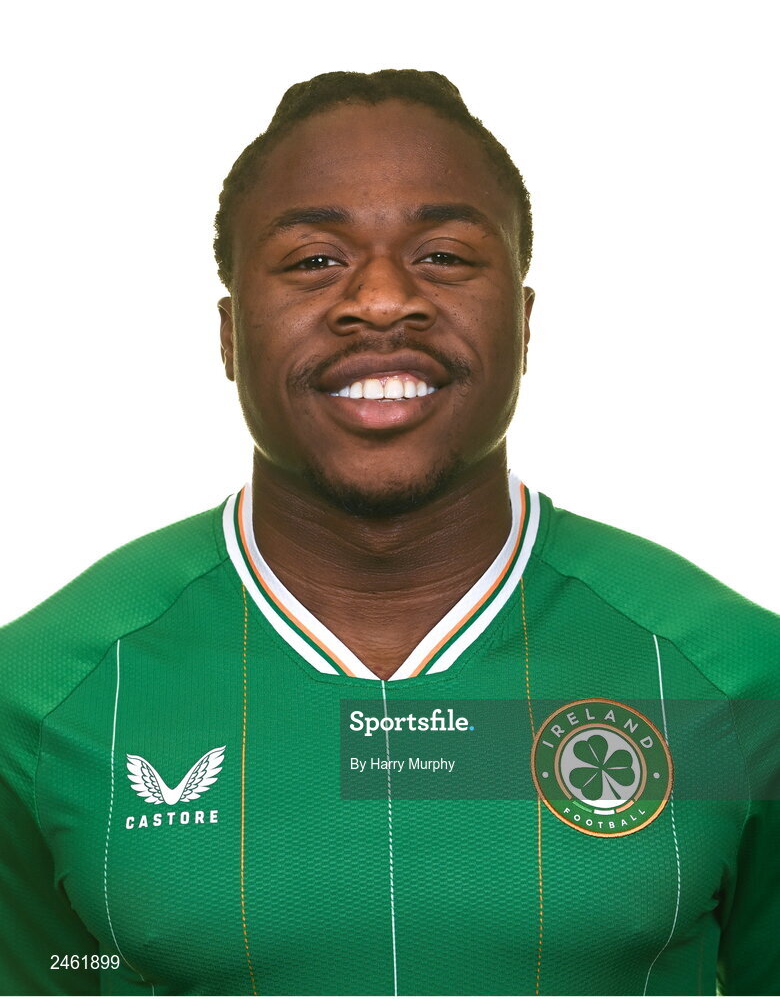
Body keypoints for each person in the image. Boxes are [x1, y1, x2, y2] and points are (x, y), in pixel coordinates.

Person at [0, 69, 777, 998]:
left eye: (443, 255)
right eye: (313, 260)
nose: (378, 299)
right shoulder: (41, 696)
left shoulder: (734, 677)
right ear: (230, 335)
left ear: (525, 323)